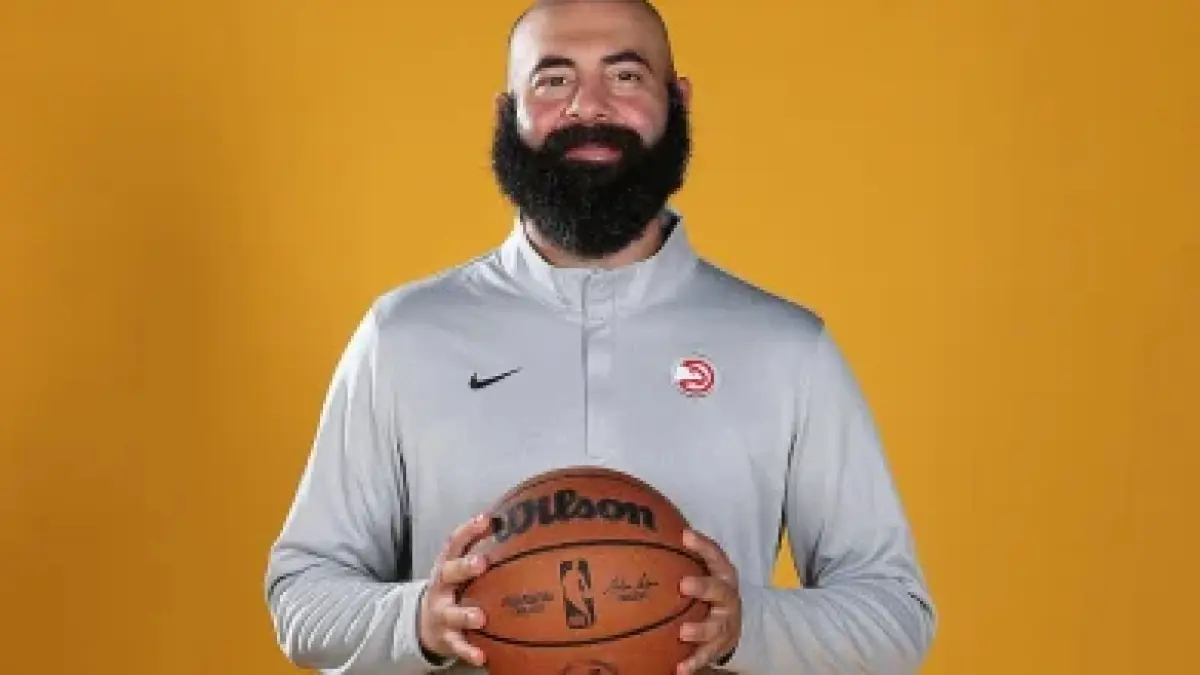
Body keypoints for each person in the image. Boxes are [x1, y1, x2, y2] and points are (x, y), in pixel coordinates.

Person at [263, 0, 938, 673]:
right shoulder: (402, 337)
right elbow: (302, 596)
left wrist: (744, 625)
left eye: (625, 76)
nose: (588, 105)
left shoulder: (787, 348)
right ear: (508, 112)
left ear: (678, 102)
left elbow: (896, 616)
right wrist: (419, 619)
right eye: (553, 79)